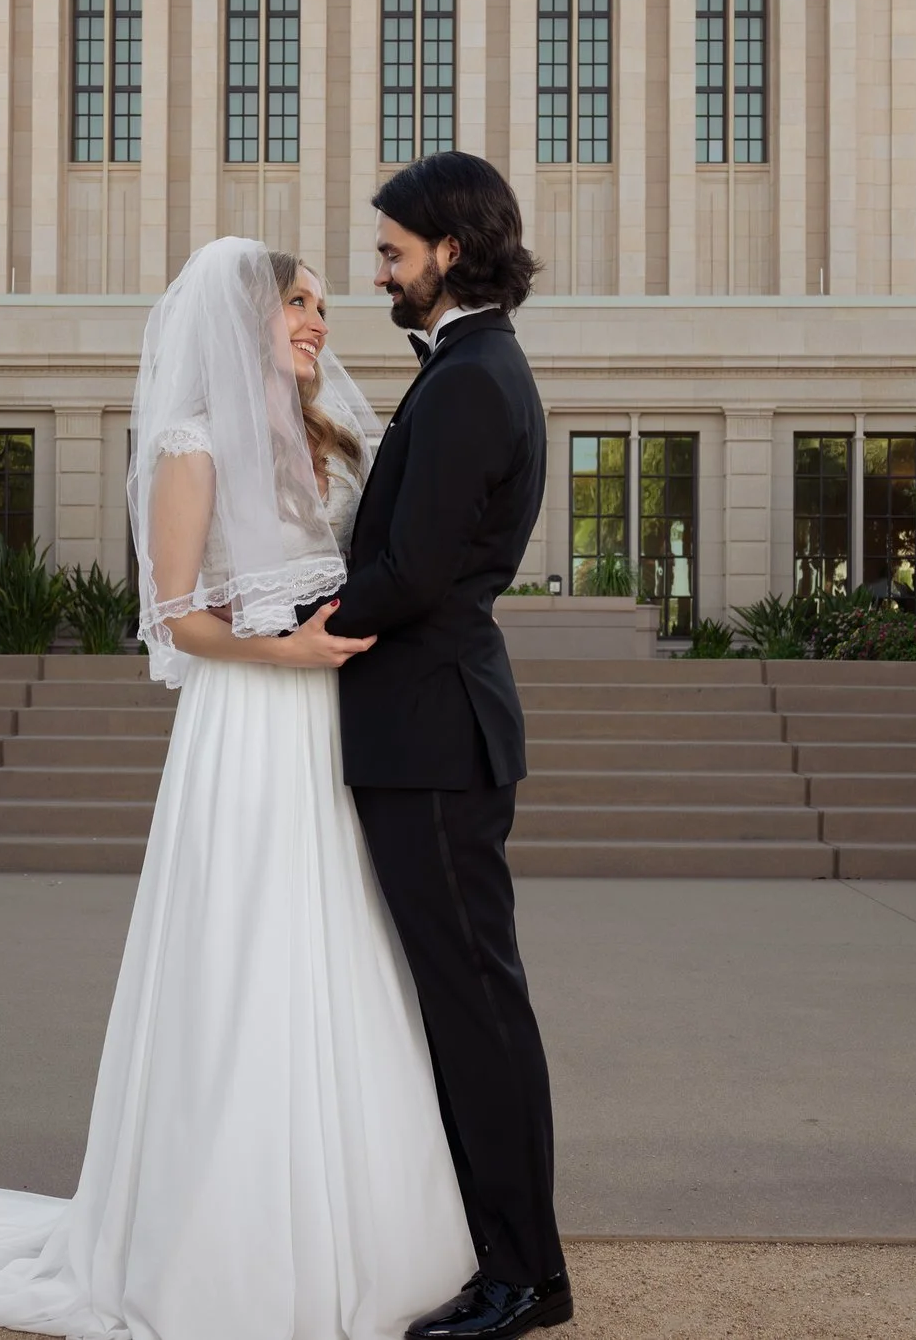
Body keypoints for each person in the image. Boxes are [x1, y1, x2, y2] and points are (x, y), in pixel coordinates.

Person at [0, 238, 477, 1338]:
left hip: (336, 731)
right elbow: (175, 617)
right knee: (247, 952)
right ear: (237, 320)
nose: (317, 323)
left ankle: (365, 1223)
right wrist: (287, 657)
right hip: (251, 723)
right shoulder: (189, 443)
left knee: (340, 946)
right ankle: (225, 1234)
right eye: (294, 306)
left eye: (319, 307)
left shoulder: (333, 439)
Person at [327, 151, 568, 1340]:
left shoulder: (474, 377)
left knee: (476, 1007)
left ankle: (523, 1274)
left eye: (390, 252)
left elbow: (416, 571)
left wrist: (299, 625)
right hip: (423, 726)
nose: (381, 271)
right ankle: (502, 1255)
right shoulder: (467, 368)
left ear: (450, 252)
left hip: (431, 735)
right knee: (466, 1001)